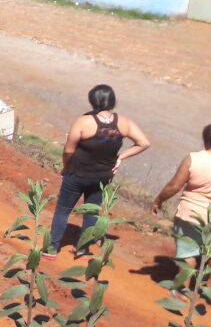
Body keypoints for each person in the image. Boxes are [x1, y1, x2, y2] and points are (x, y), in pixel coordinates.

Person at [44, 84, 150, 259]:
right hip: (103, 176)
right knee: (92, 212)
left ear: (92, 101)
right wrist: (121, 157)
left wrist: (65, 166)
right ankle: (83, 249)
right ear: (113, 101)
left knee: (63, 210)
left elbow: (68, 150)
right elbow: (144, 143)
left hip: (77, 174)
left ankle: (52, 249)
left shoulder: (83, 121)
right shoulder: (124, 122)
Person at [151, 124, 211, 292]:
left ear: (205, 140)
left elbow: (174, 186)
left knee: (188, 252)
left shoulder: (193, 159)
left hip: (191, 214)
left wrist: (159, 200)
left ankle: (180, 290)